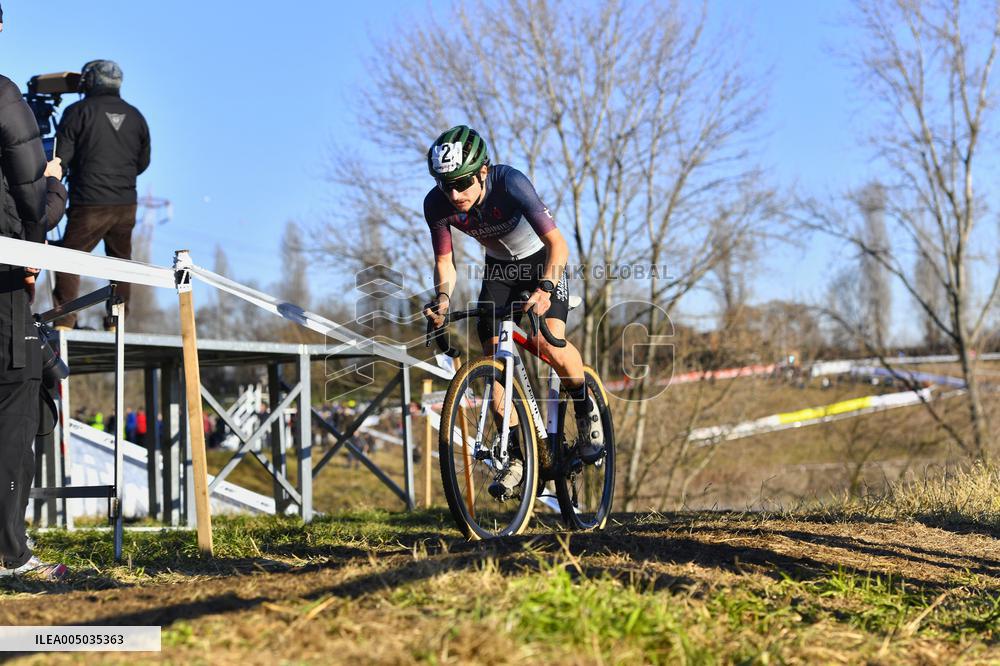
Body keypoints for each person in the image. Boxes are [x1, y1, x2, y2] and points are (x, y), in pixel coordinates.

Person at [421, 125, 603, 500]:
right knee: (496, 373)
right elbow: (445, 262)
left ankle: (586, 410)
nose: (454, 194)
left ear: (483, 172)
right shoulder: (436, 204)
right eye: (445, 185)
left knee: (546, 343)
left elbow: (558, 245)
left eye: (462, 183)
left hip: (542, 263)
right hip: (500, 272)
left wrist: (547, 288)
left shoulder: (511, 183)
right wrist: (442, 299)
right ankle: (522, 454)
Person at [0, 2, 69, 580]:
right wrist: (55, 186)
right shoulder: (2, 97)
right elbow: (32, 208)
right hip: (2, 291)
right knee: (15, 412)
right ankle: (11, 555)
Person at [52, 59, 150, 331]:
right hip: (126, 203)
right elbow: (142, 163)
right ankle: (116, 322)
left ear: (91, 81)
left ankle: (64, 321)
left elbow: (61, 159)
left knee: (69, 257)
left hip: (89, 202)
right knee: (120, 261)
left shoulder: (77, 111)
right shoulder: (137, 116)